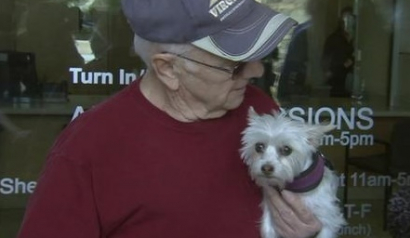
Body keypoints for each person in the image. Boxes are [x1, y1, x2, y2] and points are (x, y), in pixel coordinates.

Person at [17, 0, 322, 237]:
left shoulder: (260, 113)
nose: (256, 71)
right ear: (168, 69)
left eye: (259, 55)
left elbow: (305, 201)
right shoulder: (88, 149)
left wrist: (308, 232)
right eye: (235, 64)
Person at [322, 7, 355, 97]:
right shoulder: (334, 38)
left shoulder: (356, 39)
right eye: (345, 19)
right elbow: (326, 59)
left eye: (351, 19)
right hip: (336, 80)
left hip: (350, 82)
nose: (348, 22)